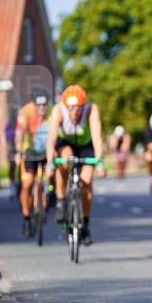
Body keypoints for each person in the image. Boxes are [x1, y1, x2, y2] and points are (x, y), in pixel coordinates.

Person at [45, 85, 106, 245]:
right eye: (71, 108)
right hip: (65, 143)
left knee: (87, 181)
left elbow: (97, 137)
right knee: (65, 159)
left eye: (78, 108)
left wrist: (100, 161)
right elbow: (51, 138)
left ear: (83, 106)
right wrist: (50, 161)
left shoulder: (91, 110)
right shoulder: (58, 110)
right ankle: (60, 201)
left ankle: (85, 224)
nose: (74, 112)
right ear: (65, 106)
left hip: (85, 146)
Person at [14, 91, 51, 236]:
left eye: (44, 106)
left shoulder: (51, 113)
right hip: (29, 151)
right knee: (27, 183)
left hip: (47, 151)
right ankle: (26, 218)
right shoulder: (25, 112)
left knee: (50, 177)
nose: (41, 109)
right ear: (33, 104)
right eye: (38, 106)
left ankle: (49, 196)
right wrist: (18, 152)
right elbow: (19, 134)